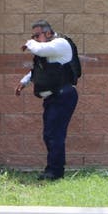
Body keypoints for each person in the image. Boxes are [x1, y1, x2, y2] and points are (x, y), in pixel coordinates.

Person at [15, 20, 79, 181]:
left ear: (49, 33)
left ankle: (55, 173)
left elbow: (40, 50)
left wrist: (29, 42)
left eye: (37, 35)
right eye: (33, 36)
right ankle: (52, 169)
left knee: (54, 135)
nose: (35, 39)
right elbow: (38, 69)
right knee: (49, 135)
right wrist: (24, 82)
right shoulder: (47, 50)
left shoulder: (60, 44)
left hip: (63, 96)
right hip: (53, 98)